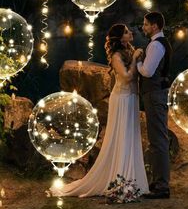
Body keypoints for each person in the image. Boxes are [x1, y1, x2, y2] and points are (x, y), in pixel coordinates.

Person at [49, 24, 149, 197]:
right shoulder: (116, 56)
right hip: (122, 99)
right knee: (122, 137)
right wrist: (134, 59)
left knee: (131, 136)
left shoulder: (129, 50)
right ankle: (120, 179)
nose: (131, 33)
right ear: (119, 38)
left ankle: (133, 180)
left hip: (132, 98)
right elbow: (125, 77)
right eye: (126, 32)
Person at [135, 12, 172, 199]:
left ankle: (162, 186)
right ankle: (158, 181)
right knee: (157, 139)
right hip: (157, 94)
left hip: (155, 94)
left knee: (158, 140)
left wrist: (138, 62)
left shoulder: (156, 45)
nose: (144, 27)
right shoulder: (159, 43)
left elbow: (148, 72)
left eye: (146, 24)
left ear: (155, 26)